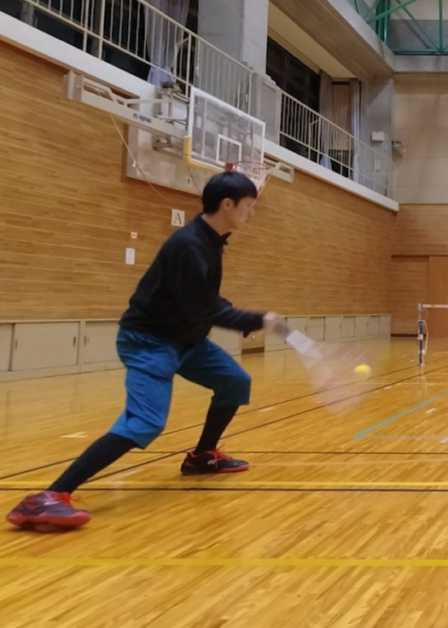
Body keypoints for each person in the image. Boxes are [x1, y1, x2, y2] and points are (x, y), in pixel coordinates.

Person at [7, 171, 286, 530]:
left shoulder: (213, 240)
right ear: (227, 205)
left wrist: (246, 317)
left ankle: (202, 457)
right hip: (150, 342)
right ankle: (48, 497)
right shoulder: (188, 245)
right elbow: (205, 309)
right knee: (146, 422)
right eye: (250, 206)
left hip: (186, 340)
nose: (252, 213)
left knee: (234, 381)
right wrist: (257, 319)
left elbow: (204, 300)